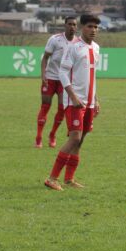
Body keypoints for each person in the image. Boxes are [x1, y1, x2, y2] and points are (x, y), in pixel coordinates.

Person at [44, 14, 101, 191]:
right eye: (90, 26)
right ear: (82, 27)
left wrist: (96, 99)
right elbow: (62, 73)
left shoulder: (96, 48)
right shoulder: (74, 47)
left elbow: (92, 76)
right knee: (74, 137)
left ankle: (69, 179)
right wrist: (73, 97)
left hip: (89, 102)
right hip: (74, 101)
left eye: (96, 27)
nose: (93, 30)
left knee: (81, 140)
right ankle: (52, 178)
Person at [35, 16, 77, 148]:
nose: (72, 27)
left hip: (65, 80)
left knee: (61, 109)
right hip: (51, 78)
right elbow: (45, 58)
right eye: (69, 24)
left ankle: (52, 134)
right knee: (45, 106)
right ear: (65, 25)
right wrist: (43, 75)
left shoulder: (78, 43)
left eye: (74, 25)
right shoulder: (55, 39)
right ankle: (39, 137)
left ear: (77, 27)